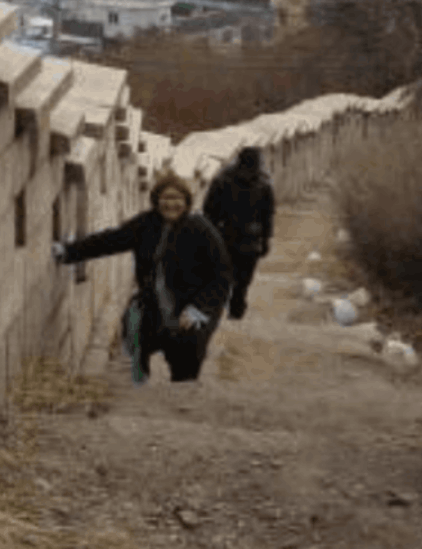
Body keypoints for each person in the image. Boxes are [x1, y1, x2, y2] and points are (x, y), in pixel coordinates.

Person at [53, 171, 232, 383]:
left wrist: (199, 308)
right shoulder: (146, 224)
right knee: (134, 327)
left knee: (186, 354)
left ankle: (183, 390)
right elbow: (112, 240)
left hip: (193, 305)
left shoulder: (202, 229)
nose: (171, 204)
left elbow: (222, 276)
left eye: (177, 198)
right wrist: (69, 252)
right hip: (154, 301)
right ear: (156, 200)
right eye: (165, 198)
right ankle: (141, 378)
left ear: (187, 201)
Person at [200, 146, 275, 320]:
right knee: (241, 279)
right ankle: (235, 308)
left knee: (230, 277)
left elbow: (209, 211)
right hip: (248, 239)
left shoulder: (222, 180)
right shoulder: (263, 184)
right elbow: (268, 215)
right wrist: (265, 240)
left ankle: (228, 306)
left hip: (230, 237)